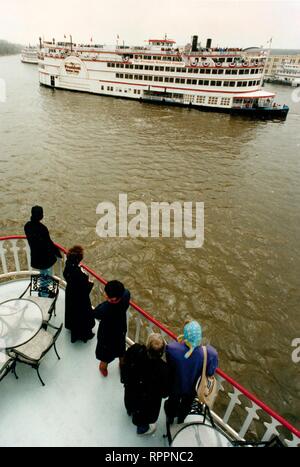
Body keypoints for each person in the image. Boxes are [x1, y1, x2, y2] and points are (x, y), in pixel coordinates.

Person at [164, 320, 218, 424]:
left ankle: (170, 419)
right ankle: (181, 420)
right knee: (186, 404)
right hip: (193, 388)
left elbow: (170, 363)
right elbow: (210, 372)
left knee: (172, 402)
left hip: (176, 385)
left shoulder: (172, 349)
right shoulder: (209, 353)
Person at [121, 333, 169, 435]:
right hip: (147, 403)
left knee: (131, 404)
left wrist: (125, 379)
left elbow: (125, 363)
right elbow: (165, 393)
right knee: (142, 419)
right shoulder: (163, 369)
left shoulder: (135, 350)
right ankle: (142, 429)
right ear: (161, 352)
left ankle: (130, 411)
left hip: (131, 391)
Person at [94, 280, 130, 377]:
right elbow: (126, 291)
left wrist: (107, 302)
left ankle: (103, 368)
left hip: (107, 336)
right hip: (120, 331)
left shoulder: (104, 309)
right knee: (122, 351)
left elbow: (95, 313)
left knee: (105, 357)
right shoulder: (125, 296)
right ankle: (122, 365)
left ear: (112, 298)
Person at [24, 205, 62, 295]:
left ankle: (43, 290)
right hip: (44, 258)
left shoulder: (27, 226)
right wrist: (58, 253)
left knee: (42, 274)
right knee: (46, 275)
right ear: (41, 216)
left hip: (35, 257)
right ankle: (44, 294)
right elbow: (49, 243)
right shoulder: (42, 228)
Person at [63, 245, 95, 343]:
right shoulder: (79, 273)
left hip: (71, 293)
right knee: (81, 316)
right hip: (80, 298)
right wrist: (91, 283)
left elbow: (66, 275)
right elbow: (85, 288)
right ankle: (83, 335)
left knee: (73, 313)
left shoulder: (68, 264)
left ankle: (74, 331)